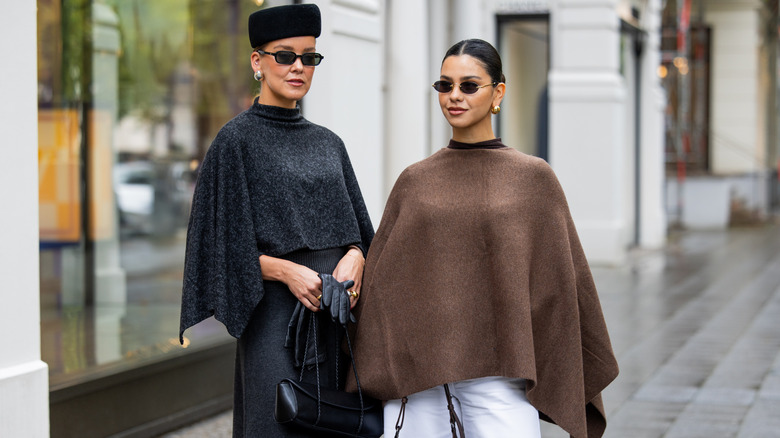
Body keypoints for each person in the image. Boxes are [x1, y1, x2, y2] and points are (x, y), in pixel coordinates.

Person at [347, 39, 618, 438]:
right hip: (418, 386)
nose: (454, 96)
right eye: (444, 85)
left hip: (499, 379)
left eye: (469, 85)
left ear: (498, 92)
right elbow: (385, 285)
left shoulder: (533, 179)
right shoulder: (414, 181)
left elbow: (560, 283)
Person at [178, 4, 374, 437]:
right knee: (275, 425)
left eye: (309, 57)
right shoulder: (235, 142)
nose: (298, 67)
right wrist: (285, 271)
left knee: (333, 424)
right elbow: (214, 250)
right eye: (285, 55)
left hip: (333, 317)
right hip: (273, 318)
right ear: (257, 61)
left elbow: (361, 231)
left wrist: (356, 258)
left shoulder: (329, 144)